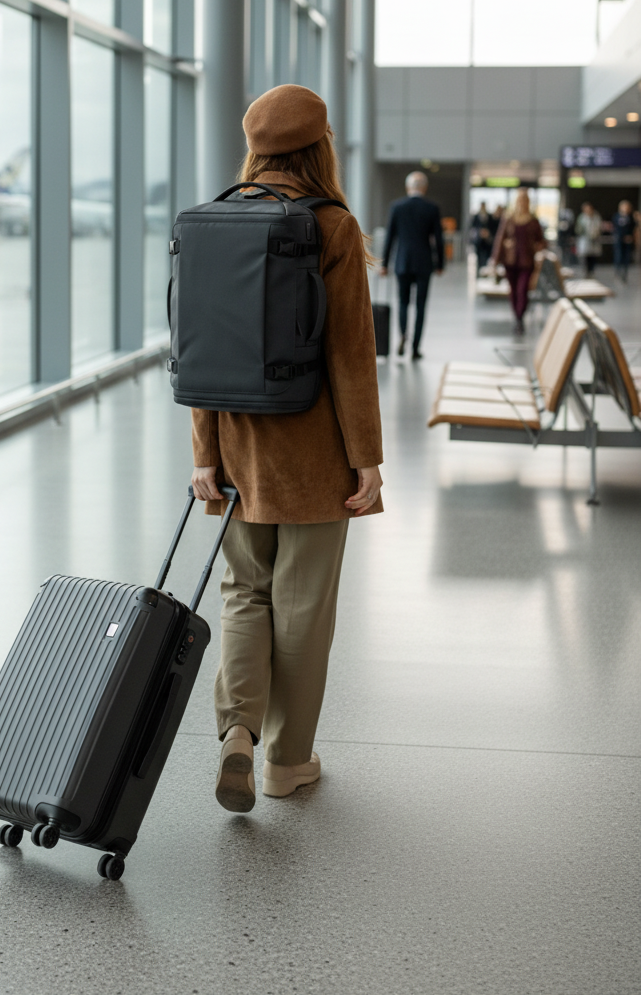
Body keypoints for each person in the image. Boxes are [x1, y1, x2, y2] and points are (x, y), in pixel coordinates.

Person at [190, 83, 384, 814]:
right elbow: (351, 358)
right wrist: (366, 456)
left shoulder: (214, 221)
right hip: (313, 451)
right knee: (302, 609)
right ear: (319, 145)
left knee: (244, 595)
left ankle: (237, 730)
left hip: (237, 447)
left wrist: (204, 452)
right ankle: (287, 763)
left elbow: (197, 351)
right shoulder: (331, 225)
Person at [379, 171, 444, 359]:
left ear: (408, 187)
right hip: (424, 263)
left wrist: (385, 264)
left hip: (403, 262)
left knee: (403, 302)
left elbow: (390, 236)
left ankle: (403, 335)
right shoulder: (432, 208)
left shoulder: (397, 207)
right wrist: (440, 263)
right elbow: (438, 239)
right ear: (424, 187)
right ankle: (415, 348)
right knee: (421, 305)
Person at [490, 189, 545, 335]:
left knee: (522, 290)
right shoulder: (509, 218)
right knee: (513, 291)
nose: (522, 202)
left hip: (527, 261)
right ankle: (516, 316)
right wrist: (495, 260)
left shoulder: (533, 220)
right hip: (511, 261)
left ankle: (520, 317)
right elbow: (500, 239)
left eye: (524, 200)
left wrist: (537, 247)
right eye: (520, 199)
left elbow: (542, 241)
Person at [575, 202, 602, 277]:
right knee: (585, 257)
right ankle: (586, 271)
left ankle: (591, 271)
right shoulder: (582, 218)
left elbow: (599, 227)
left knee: (592, 257)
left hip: (594, 240)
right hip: (585, 240)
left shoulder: (596, 217)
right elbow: (578, 229)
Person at [611, 200, 635, 283]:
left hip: (627, 240)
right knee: (618, 256)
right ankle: (617, 272)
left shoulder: (631, 217)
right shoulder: (616, 216)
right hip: (619, 240)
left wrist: (629, 236)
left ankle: (624, 274)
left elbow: (632, 228)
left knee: (626, 257)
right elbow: (615, 227)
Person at [470, 202, 495, 273]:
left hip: (487, 241)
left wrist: (488, 233)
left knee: (487, 256)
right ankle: (479, 271)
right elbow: (473, 228)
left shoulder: (489, 216)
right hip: (479, 240)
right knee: (479, 256)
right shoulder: (476, 216)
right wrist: (479, 232)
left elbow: (492, 227)